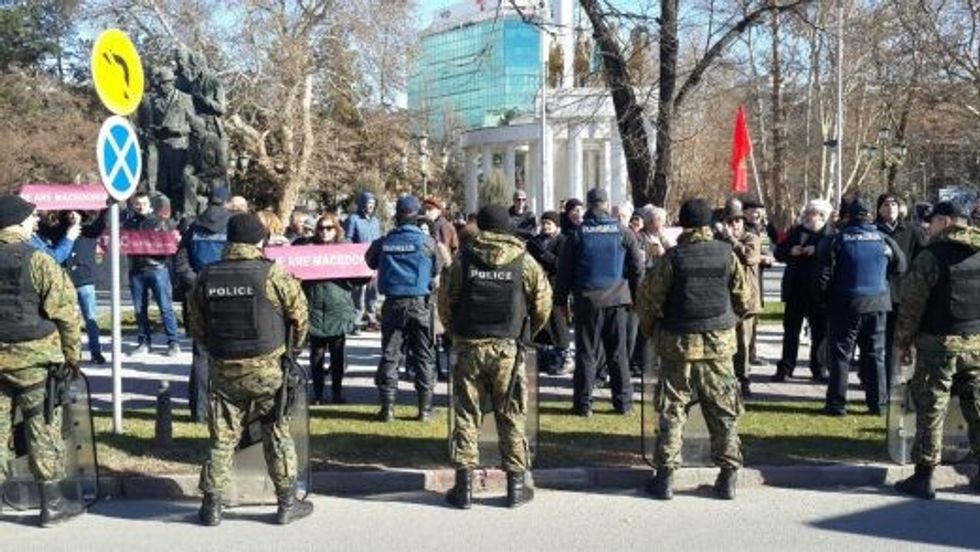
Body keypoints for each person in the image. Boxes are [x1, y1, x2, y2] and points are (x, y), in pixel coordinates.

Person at [189, 213, 312, 526]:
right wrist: (291, 352)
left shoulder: (207, 275)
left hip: (224, 370)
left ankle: (211, 506)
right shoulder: (273, 274)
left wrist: (217, 353)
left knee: (222, 439)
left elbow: (197, 326)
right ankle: (286, 503)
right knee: (277, 433)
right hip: (268, 370)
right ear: (261, 240)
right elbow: (300, 318)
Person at [637, 198, 753, 501]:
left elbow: (649, 300)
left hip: (677, 345)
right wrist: (728, 325)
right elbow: (745, 299)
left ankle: (665, 478)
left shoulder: (672, 258)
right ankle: (728, 477)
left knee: (673, 411)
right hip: (719, 348)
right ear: (708, 224)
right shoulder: (727, 254)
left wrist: (650, 331)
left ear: (684, 224)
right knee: (724, 411)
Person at [439, 204, 552, 509]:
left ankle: (463, 489)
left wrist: (455, 333)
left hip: (469, 347)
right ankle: (516, 487)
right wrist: (525, 332)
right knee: (511, 413)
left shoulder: (464, 259)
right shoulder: (524, 261)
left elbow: (445, 300)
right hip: (507, 348)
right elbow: (543, 303)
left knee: (466, 414)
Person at [0, 195, 85, 526]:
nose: (35, 222)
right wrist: (73, 357)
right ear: (18, 223)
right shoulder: (39, 261)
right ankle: (51, 506)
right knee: (42, 429)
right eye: (31, 218)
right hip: (35, 363)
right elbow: (66, 313)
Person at [893, 200, 980, 499]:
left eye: (932, 222)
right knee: (978, 406)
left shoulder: (931, 256)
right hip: (976, 343)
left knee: (932, 407)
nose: (928, 227)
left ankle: (924, 476)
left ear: (944, 221)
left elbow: (911, 306)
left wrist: (902, 344)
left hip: (937, 344)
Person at [557, 188, 643, 416]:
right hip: (617, 300)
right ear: (606, 205)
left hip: (587, 300)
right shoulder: (623, 232)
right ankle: (623, 403)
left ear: (588, 205)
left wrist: (560, 303)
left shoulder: (577, 234)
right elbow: (637, 269)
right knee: (618, 353)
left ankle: (583, 405)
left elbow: (564, 272)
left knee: (586, 353)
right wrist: (637, 298)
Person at [818, 197, 906, 416]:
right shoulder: (883, 239)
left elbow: (823, 276)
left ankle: (837, 405)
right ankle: (879, 405)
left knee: (840, 356)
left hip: (845, 304)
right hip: (877, 303)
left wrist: (823, 299)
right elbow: (901, 265)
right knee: (875, 354)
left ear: (848, 216)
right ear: (870, 215)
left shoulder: (838, 239)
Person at [365, 195, 442, 422]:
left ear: (397, 216)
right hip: (420, 303)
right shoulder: (428, 243)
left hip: (393, 303)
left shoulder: (384, 241)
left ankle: (388, 409)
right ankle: (424, 411)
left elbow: (369, 261)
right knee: (424, 356)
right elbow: (438, 267)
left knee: (390, 354)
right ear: (418, 217)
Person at [173, 186, 232, 422]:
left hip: (197, 295)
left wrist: (197, 282)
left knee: (201, 354)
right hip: (228, 294)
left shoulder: (194, 227)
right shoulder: (234, 225)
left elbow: (180, 261)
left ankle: (199, 412)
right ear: (226, 202)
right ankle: (226, 411)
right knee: (229, 354)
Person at [296, 214, 360, 405]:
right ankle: (317, 393)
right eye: (321, 228)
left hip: (337, 309)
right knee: (316, 355)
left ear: (336, 229)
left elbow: (358, 277)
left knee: (337, 355)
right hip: (314, 308)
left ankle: (337, 392)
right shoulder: (307, 249)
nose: (325, 231)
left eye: (329, 228)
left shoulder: (345, 250)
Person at [773, 199, 834, 382]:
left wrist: (816, 251)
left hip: (819, 291)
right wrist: (790, 251)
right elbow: (778, 252)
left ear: (822, 217)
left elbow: (835, 255)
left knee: (819, 333)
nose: (806, 217)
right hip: (795, 290)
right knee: (791, 331)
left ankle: (818, 368)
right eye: (806, 213)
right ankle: (785, 367)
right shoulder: (796, 231)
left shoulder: (831, 234)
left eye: (810, 214)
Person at [875, 192, 926, 387]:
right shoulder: (874, 232)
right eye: (886, 205)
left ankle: (905, 381)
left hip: (906, 294)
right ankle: (883, 383)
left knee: (905, 343)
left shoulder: (914, 232)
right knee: (883, 342)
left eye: (894, 205)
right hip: (881, 294)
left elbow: (924, 260)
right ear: (879, 209)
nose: (891, 208)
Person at [124, 192, 181, 356]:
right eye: (137, 204)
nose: (141, 206)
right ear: (133, 205)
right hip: (136, 270)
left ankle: (173, 343)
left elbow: (170, 245)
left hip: (157, 268)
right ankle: (143, 342)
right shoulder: (129, 223)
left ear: (149, 204)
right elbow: (124, 242)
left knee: (165, 307)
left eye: (143, 203)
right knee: (139, 309)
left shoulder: (160, 222)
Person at [717, 203, 762, 396]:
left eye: (737, 220)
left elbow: (750, 257)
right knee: (725, 345)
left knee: (743, 344)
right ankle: (726, 381)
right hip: (724, 300)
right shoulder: (718, 240)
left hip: (746, 301)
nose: (734, 224)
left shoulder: (750, 238)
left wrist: (731, 240)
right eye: (730, 221)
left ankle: (743, 381)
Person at [527, 210, 573, 375]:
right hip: (537, 286)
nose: (546, 226)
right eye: (544, 223)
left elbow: (561, 264)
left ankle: (562, 356)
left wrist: (544, 254)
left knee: (557, 322)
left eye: (549, 223)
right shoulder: (535, 241)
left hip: (555, 287)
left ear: (556, 226)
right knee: (540, 321)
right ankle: (543, 358)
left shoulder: (562, 241)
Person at [63, 209, 107, 364]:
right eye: (70, 213)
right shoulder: (61, 232)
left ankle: (96, 352)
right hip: (65, 281)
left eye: (76, 213)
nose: (72, 215)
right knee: (67, 320)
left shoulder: (89, 231)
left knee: (90, 318)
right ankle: (72, 354)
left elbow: (101, 223)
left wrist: (105, 205)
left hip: (85, 281)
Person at [346, 192, 382, 332]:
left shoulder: (375, 221)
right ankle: (356, 320)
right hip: (359, 261)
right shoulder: (353, 219)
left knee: (373, 290)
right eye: (368, 203)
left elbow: (378, 239)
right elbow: (348, 238)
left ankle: (372, 319)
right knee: (359, 291)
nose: (371, 206)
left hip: (374, 260)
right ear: (362, 204)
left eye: (373, 204)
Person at [742, 199, 773, 365]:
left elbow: (767, 248)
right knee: (746, 317)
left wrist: (768, 258)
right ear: (745, 212)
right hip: (746, 277)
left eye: (759, 211)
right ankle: (745, 354)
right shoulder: (742, 229)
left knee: (756, 316)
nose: (757, 214)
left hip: (759, 276)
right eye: (753, 211)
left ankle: (753, 352)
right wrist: (758, 258)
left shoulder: (763, 230)